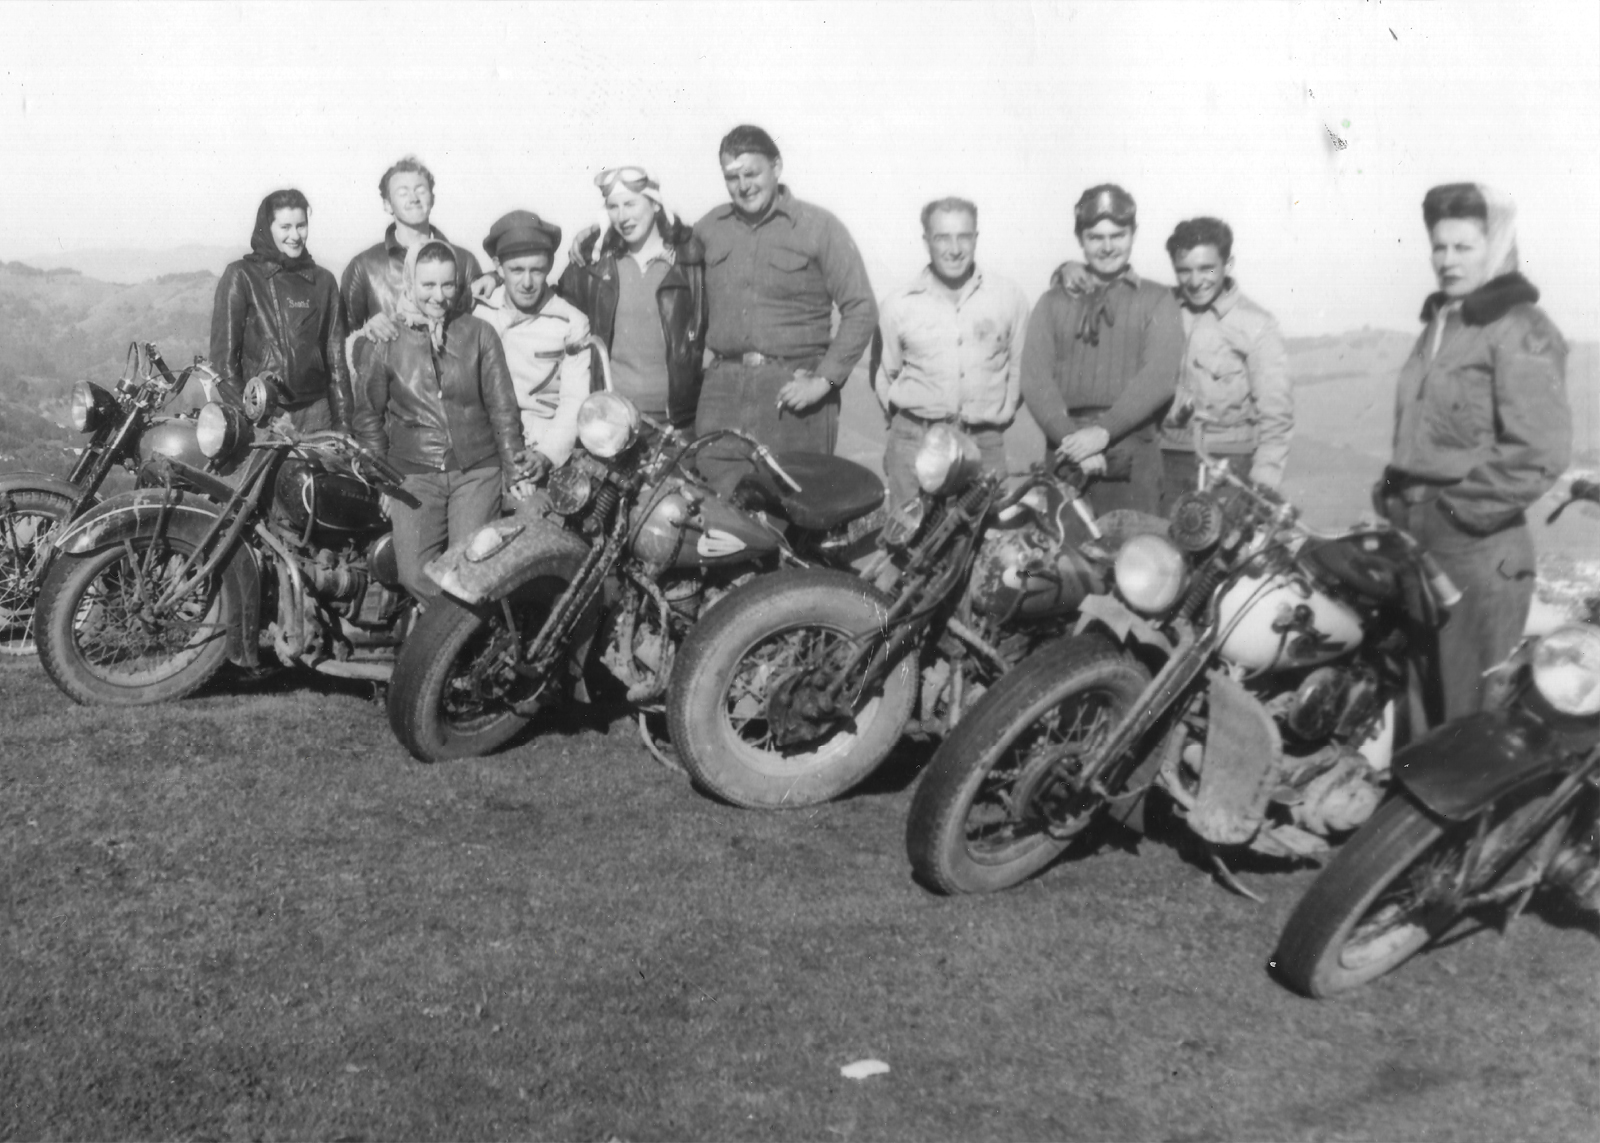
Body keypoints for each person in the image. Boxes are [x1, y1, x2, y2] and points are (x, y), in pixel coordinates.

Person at [1378, 182, 1570, 719]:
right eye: (1439, 247)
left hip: (1478, 547)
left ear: (1497, 247)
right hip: (1417, 537)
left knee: (1469, 719)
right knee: (1421, 706)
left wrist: (1456, 513)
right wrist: (1390, 493)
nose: (1447, 260)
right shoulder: (1442, 323)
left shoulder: (1520, 327)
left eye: (1463, 247)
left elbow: (1539, 452)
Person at [691, 125, 877, 492]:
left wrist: (823, 382)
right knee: (715, 505)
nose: (743, 186)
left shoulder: (819, 227)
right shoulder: (709, 228)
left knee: (794, 505)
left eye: (752, 173)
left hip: (794, 397)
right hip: (722, 394)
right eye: (732, 177)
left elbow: (861, 308)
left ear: (776, 167)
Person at [353, 241, 534, 604]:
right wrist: (386, 481)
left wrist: (515, 472)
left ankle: (462, 633)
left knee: (468, 571)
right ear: (410, 283)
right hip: (414, 475)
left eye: (448, 284)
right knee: (414, 573)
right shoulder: (386, 339)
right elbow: (367, 415)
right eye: (428, 285)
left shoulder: (479, 333)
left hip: (476, 471)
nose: (439, 296)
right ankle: (460, 628)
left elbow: (502, 407)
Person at [1019, 184, 1184, 514]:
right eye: (1095, 237)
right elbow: (1035, 380)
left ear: (1133, 234)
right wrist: (1073, 441)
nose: (1108, 247)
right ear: (1080, 238)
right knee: (1066, 546)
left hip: (1134, 454)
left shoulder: (1157, 300)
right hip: (1066, 451)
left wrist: (1102, 432)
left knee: (1137, 546)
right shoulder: (1052, 302)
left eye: (1118, 235)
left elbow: (1159, 378)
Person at [874, 196, 1031, 511]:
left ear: (976, 238)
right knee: (910, 535)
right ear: (926, 241)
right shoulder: (898, 304)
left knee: (986, 533)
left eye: (964, 236)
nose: (955, 248)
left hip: (984, 443)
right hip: (915, 442)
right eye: (942, 237)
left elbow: (1019, 369)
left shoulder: (1009, 298)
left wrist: (997, 419)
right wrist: (906, 428)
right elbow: (886, 373)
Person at [1157, 217, 1293, 510]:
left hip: (1230, 468)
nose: (1195, 281)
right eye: (1184, 271)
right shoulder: (1159, 308)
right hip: (1166, 463)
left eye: (1207, 268)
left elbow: (1276, 417)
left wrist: (1262, 484)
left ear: (1228, 264)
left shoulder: (1257, 324)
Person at [558, 166, 705, 433]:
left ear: (655, 204)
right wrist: (493, 281)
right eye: (613, 207)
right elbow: (547, 300)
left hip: (680, 424)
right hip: (612, 421)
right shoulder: (596, 264)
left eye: (630, 204)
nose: (622, 216)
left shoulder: (691, 261)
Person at [209, 189, 352, 432]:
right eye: (285, 227)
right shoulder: (241, 276)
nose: (295, 235)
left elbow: (336, 364)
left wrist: (344, 426)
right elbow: (223, 365)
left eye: (301, 226)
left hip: (318, 415)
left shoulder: (324, 282)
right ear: (267, 228)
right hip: (262, 416)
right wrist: (255, 413)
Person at [475, 210, 592, 476]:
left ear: (549, 266)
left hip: (541, 444)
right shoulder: (479, 311)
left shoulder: (571, 322)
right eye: (516, 270)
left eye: (537, 270)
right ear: (498, 266)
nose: (527, 283)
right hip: (484, 447)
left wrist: (547, 454)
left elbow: (574, 399)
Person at [340, 156, 485, 371]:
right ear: (387, 204)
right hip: (392, 384)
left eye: (420, 190)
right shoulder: (364, 266)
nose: (414, 198)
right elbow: (344, 341)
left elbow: (482, 333)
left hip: (454, 381)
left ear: (432, 198)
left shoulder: (464, 261)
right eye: (403, 192)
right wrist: (366, 331)